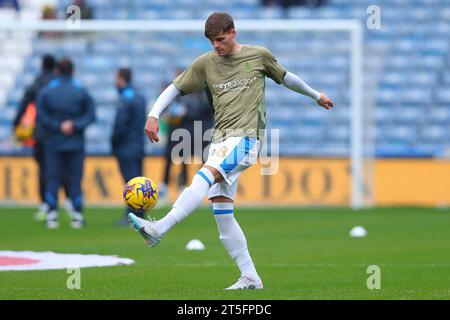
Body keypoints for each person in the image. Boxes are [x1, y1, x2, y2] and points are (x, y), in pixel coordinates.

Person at [128, 12, 333, 289]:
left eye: (221, 39)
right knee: (222, 213)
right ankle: (250, 276)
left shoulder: (258, 56)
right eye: (212, 41)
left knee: (203, 176)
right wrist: (153, 114)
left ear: (233, 32)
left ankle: (159, 228)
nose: (217, 46)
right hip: (220, 141)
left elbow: (286, 78)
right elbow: (174, 89)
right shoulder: (205, 64)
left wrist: (315, 95)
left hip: (248, 140)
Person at [36, 58, 95, 229]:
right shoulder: (81, 90)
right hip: (75, 143)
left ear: (56, 71)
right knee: (75, 180)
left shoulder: (47, 91)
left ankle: (52, 215)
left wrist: (58, 125)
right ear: (72, 71)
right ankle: (77, 215)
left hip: (53, 143)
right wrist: (75, 125)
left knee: (52, 179)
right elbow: (90, 115)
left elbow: (41, 116)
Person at [158, 68, 214, 206]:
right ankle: (166, 189)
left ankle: (198, 191)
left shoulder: (202, 92)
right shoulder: (178, 92)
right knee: (171, 159)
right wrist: (169, 115)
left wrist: (184, 113)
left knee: (197, 160)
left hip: (196, 131)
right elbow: (168, 107)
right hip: (178, 131)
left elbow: (200, 111)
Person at [112, 68, 147, 226]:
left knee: (131, 183)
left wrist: (113, 141)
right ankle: (140, 213)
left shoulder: (125, 98)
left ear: (121, 78)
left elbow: (120, 124)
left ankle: (133, 215)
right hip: (138, 143)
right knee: (137, 180)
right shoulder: (139, 96)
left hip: (126, 145)